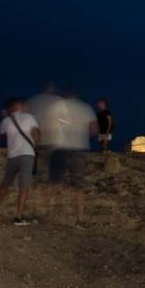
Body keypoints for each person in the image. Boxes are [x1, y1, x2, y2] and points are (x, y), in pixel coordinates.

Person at [42, 90, 96, 225]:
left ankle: (45, 212)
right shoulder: (85, 108)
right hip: (78, 150)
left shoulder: (57, 106)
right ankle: (79, 219)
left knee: (54, 182)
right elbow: (94, 128)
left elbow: (49, 125)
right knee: (78, 186)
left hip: (61, 148)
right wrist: (82, 136)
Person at [0, 98, 40, 225]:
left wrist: (5, 118)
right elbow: (37, 134)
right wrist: (34, 146)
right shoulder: (29, 117)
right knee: (24, 187)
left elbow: (0, 135)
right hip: (27, 155)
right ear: (19, 106)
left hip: (12, 155)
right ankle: (18, 217)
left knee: (5, 184)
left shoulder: (6, 120)